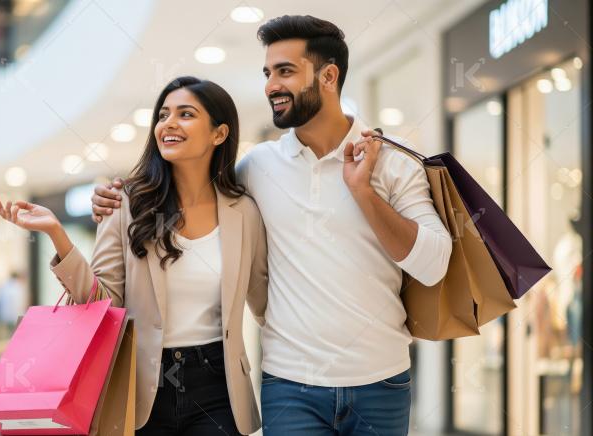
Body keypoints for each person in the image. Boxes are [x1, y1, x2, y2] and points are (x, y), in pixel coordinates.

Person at [91, 15, 452, 436]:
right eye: (267, 73)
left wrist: (363, 192)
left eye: (285, 71)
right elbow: (192, 189)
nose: (271, 86)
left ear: (328, 76)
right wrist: (120, 199)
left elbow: (433, 266)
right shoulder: (256, 169)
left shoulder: (391, 161)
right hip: (289, 385)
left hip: (381, 379)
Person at [0, 76, 268, 435]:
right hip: (139, 386)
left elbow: (264, 301)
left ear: (219, 134)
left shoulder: (243, 212)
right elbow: (102, 303)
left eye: (186, 114)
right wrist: (58, 236)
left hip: (217, 385)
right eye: (163, 115)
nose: (169, 123)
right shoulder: (125, 204)